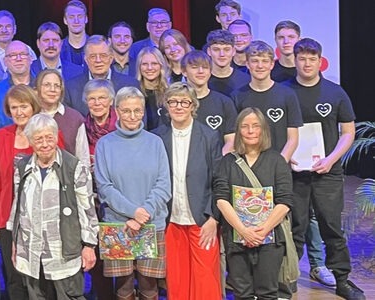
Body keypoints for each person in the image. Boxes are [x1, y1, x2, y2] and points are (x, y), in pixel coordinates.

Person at [285, 38, 365, 300]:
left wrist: (331, 159)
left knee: (331, 226)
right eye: (302, 58)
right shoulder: (284, 92)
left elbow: (348, 132)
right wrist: (285, 157)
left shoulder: (335, 93)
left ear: (320, 61)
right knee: (294, 227)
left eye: (312, 58)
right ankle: (288, 279)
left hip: (327, 172)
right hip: (293, 173)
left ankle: (342, 280)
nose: (307, 63)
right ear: (294, 60)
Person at [9, 113, 99, 299]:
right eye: (38, 139)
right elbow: (18, 206)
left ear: (56, 137)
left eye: (49, 138)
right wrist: (15, 243)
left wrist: (89, 245)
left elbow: (87, 209)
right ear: (31, 142)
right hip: (31, 251)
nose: (44, 144)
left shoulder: (74, 167)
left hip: (63, 252)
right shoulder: (22, 166)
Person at [0, 85, 64, 300]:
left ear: (33, 107)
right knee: (14, 275)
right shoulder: (1, 136)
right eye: (14, 108)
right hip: (8, 218)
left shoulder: (47, 134)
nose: (19, 112)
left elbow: (62, 173)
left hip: (41, 216)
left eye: (24, 106)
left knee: (41, 274)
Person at [94, 86, 171, 300]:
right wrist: (132, 213)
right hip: (118, 226)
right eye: (127, 110)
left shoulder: (155, 142)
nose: (132, 116)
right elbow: (105, 188)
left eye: (137, 110)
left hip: (151, 223)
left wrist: (143, 213)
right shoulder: (105, 144)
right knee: (124, 288)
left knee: (149, 287)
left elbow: (164, 184)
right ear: (117, 111)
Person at [151, 83, 223, 299]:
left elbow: (219, 180)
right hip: (170, 220)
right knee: (177, 278)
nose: (179, 106)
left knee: (205, 279)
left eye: (184, 102)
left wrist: (214, 218)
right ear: (166, 105)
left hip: (202, 219)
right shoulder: (157, 137)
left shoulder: (209, 136)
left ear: (193, 105)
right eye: (173, 101)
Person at [212, 108, 292, 300]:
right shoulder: (227, 162)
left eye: (255, 126)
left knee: (268, 292)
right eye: (245, 126)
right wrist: (243, 230)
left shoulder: (277, 161)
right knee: (242, 292)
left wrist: (263, 230)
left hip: (270, 239)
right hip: (236, 238)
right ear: (238, 131)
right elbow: (221, 199)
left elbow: (285, 201)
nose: (250, 131)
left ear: (263, 130)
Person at [231, 41, 302, 162]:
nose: (260, 66)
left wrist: (279, 163)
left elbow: (293, 138)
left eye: (264, 61)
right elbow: (234, 137)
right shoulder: (237, 96)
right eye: (255, 61)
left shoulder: (287, 94)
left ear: (272, 64)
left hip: (279, 165)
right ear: (247, 64)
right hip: (248, 166)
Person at [81, 79, 117, 300]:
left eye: (102, 97)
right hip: (92, 198)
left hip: (118, 198)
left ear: (111, 100)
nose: (97, 103)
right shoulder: (81, 127)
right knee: (96, 255)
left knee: (121, 255)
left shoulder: (123, 125)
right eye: (92, 98)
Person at [64, 35, 140, 116]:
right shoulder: (70, 88)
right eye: (93, 56)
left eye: (103, 56)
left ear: (111, 58)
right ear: (86, 59)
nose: (98, 60)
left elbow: (140, 120)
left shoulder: (130, 85)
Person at [181, 50, 237, 153]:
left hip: (218, 165)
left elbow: (231, 140)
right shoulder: (177, 104)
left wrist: (217, 161)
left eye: (205, 67)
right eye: (195, 67)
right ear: (184, 71)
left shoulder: (224, 102)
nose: (201, 71)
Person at [36, 69, 90, 167]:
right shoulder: (32, 116)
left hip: (67, 178)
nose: (52, 89)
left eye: (57, 86)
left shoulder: (74, 118)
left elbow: (83, 157)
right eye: (47, 85)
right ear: (38, 88)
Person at [0, 40, 34, 128]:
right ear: (5, 61)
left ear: (31, 58)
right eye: (13, 55)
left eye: (23, 54)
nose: (18, 59)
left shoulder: (43, 87)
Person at [0, 10, 37, 86]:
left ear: (14, 29)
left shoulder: (26, 50)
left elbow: (34, 76)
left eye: (8, 26)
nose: (4, 30)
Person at [205, 29, 250, 97]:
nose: (222, 54)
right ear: (209, 51)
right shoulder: (201, 79)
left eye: (227, 49)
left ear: (233, 51)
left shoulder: (246, 80)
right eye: (216, 49)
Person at [136, 47, 170, 131]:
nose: (150, 68)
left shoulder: (170, 93)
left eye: (154, 63)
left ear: (161, 66)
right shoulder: (134, 93)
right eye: (145, 64)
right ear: (139, 67)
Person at [61, 0, 90, 66]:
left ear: (86, 19)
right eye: (71, 17)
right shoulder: (58, 48)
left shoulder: (96, 46)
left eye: (80, 17)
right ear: (65, 20)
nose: (76, 21)